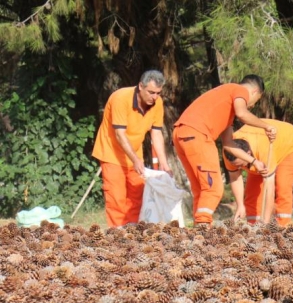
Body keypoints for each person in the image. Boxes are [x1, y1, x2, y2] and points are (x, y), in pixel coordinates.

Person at [173, 75, 277, 225]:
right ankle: (203, 227)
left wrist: (254, 162)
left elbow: (228, 143)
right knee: (214, 189)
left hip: (181, 134)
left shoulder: (226, 106)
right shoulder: (239, 90)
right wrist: (266, 126)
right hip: (197, 134)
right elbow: (243, 114)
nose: (252, 105)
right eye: (256, 101)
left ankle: (199, 228)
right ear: (255, 91)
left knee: (202, 189)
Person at [92, 70, 170, 227]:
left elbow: (156, 133)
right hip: (111, 153)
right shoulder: (121, 98)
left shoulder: (157, 103)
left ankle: (133, 234)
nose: (154, 97)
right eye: (151, 92)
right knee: (117, 198)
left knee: (137, 196)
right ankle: (117, 235)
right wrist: (135, 159)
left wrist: (164, 163)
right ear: (140, 86)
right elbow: (120, 134)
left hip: (134, 153)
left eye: (158, 93)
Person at [223, 119, 293, 227]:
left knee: (282, 184)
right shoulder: (229, 149)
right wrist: (240, 205)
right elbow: (235, 178)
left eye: (241, 164)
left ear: (248, 153)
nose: (240, 168)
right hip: (257, 154)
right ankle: (252, 224)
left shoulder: (263, 150)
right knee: (252, 190)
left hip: (289, 145)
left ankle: (283, 225)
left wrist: (265, 222)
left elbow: (269, 188)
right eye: (237, 165)